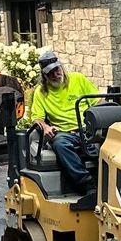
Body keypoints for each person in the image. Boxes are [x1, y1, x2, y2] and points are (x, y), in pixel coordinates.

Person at [24, 48, 99, 190]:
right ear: (44, 75)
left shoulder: (78, 79)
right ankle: (88, 186)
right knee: (60, 144)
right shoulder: (41, 93)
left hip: (88, 130)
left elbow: (98, 101)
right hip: (64, 133)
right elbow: (37, 118)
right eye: (50, 73)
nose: (55, 74)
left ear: (61, 67)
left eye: (56, 69)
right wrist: (45, 127)